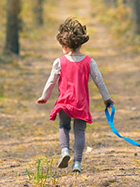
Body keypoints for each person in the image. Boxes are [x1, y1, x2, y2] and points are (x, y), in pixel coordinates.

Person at [37, 18, 114, 173]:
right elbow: (99, 81)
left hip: (64, 102)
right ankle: (77, 163)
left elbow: (51, 80)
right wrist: (106, 98)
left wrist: (44, 96)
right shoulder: (89, 62)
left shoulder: (59, 62)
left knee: (63, 126)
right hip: (81, 103)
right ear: (80, 44)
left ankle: (65, 151)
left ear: (65, 45)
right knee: (79, 131)